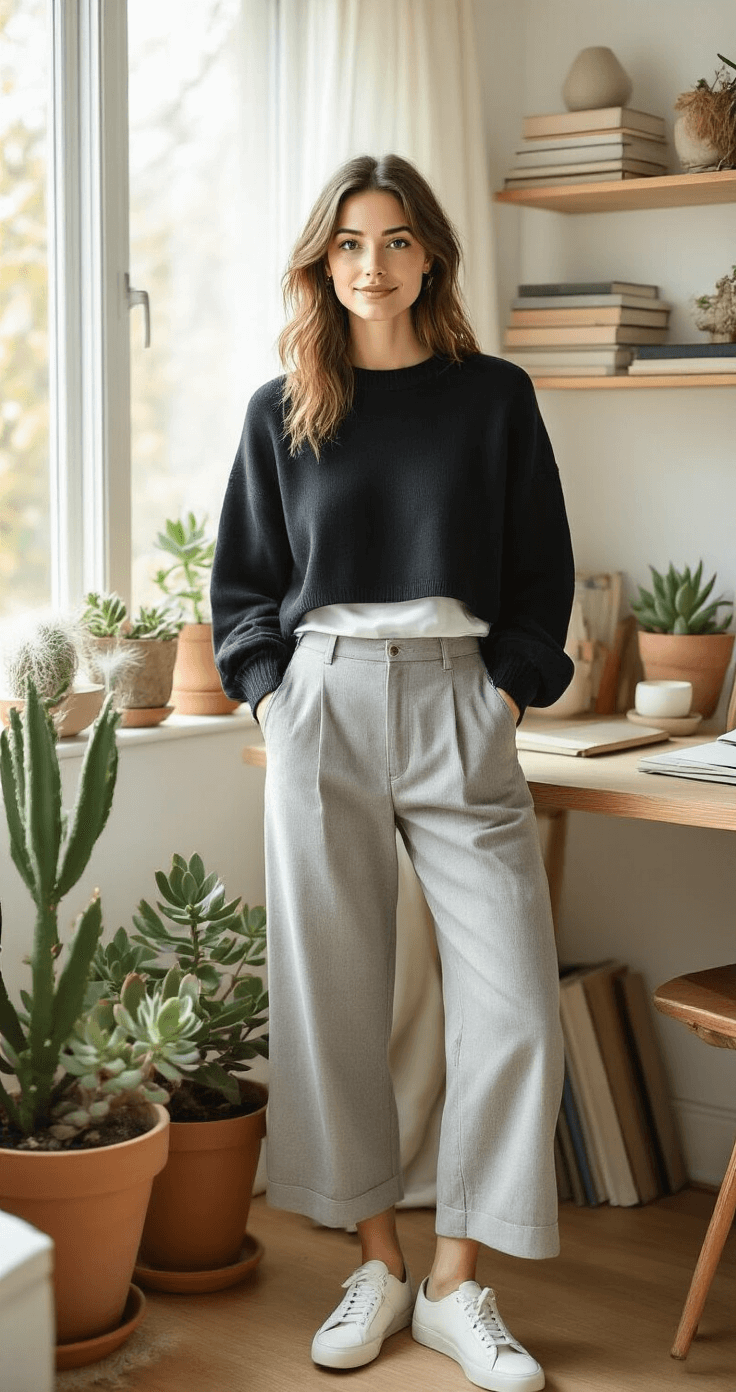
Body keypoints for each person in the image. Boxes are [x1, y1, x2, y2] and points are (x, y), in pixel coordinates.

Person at [211, 153, 575, 1392]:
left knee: (517, 1003)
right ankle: (376, 1261)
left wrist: (505, 688)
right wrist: (275, 694)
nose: (375, 264)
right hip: (323, 706)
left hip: (458, 701)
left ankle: (457, 1285)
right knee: (332, 998)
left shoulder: (494, 399)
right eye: (351, 243)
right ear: (324, 261)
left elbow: (541, 575)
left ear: (430, 257)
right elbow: (241, 591)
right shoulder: (284, 409)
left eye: (399, 239)